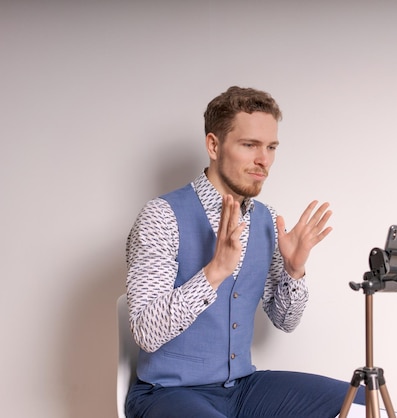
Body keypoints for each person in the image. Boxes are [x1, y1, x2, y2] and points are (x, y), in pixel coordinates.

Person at [125, 86, 365, 417]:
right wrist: (214, 272)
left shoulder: (265, 219)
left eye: (271, 147)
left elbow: (285, 320)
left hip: (241, 387)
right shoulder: (162, 216)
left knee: (364, 405)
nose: (263, 160)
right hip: (166, 392)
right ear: (213, 145)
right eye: (249, 145)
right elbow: (145, 332)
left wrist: (294, 271)